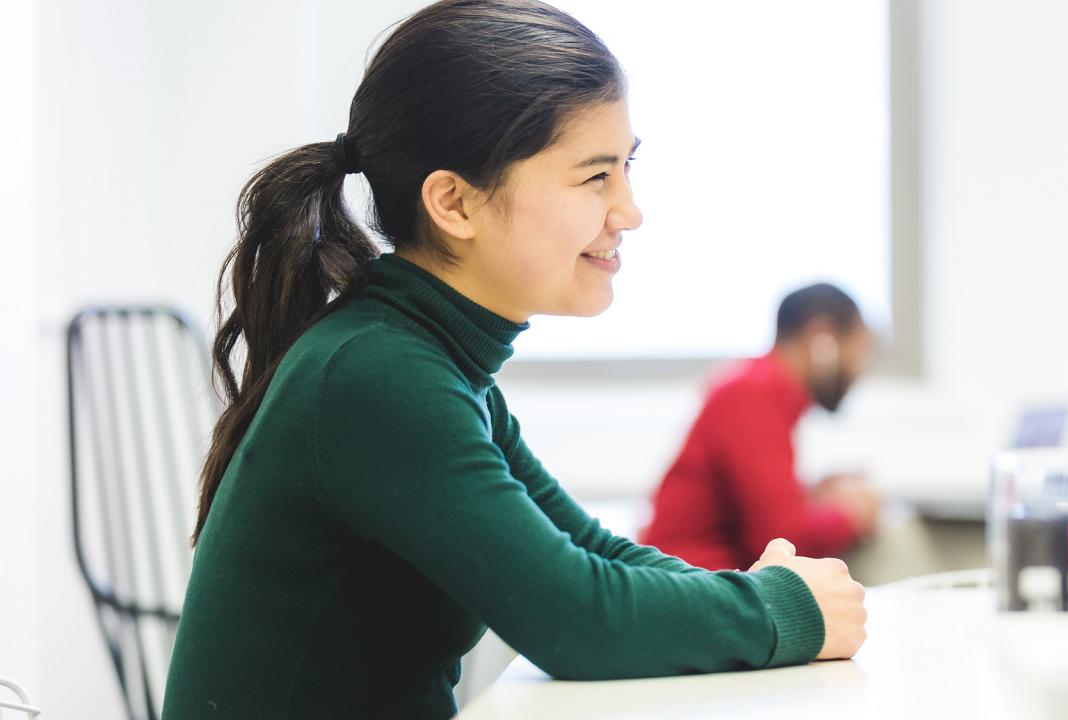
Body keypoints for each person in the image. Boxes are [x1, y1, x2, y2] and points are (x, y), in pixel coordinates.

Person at [161, 2, 867, 718]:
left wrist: (761, 596)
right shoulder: (376, 375)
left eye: (627, 167)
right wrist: (778, 606)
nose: (629, 211)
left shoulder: (432, 364)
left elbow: (593, 555)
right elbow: (574, 617)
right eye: (596, 176)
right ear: (455, 204)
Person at [641, 284, 881, 572]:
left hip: (703, 580)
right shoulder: (751, 395)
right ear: (822, 338)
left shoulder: (761, 391)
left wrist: (814, 495)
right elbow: (779, 543)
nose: (861, 368)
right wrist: (851, 515)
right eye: (861, 350)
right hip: (690, 586)